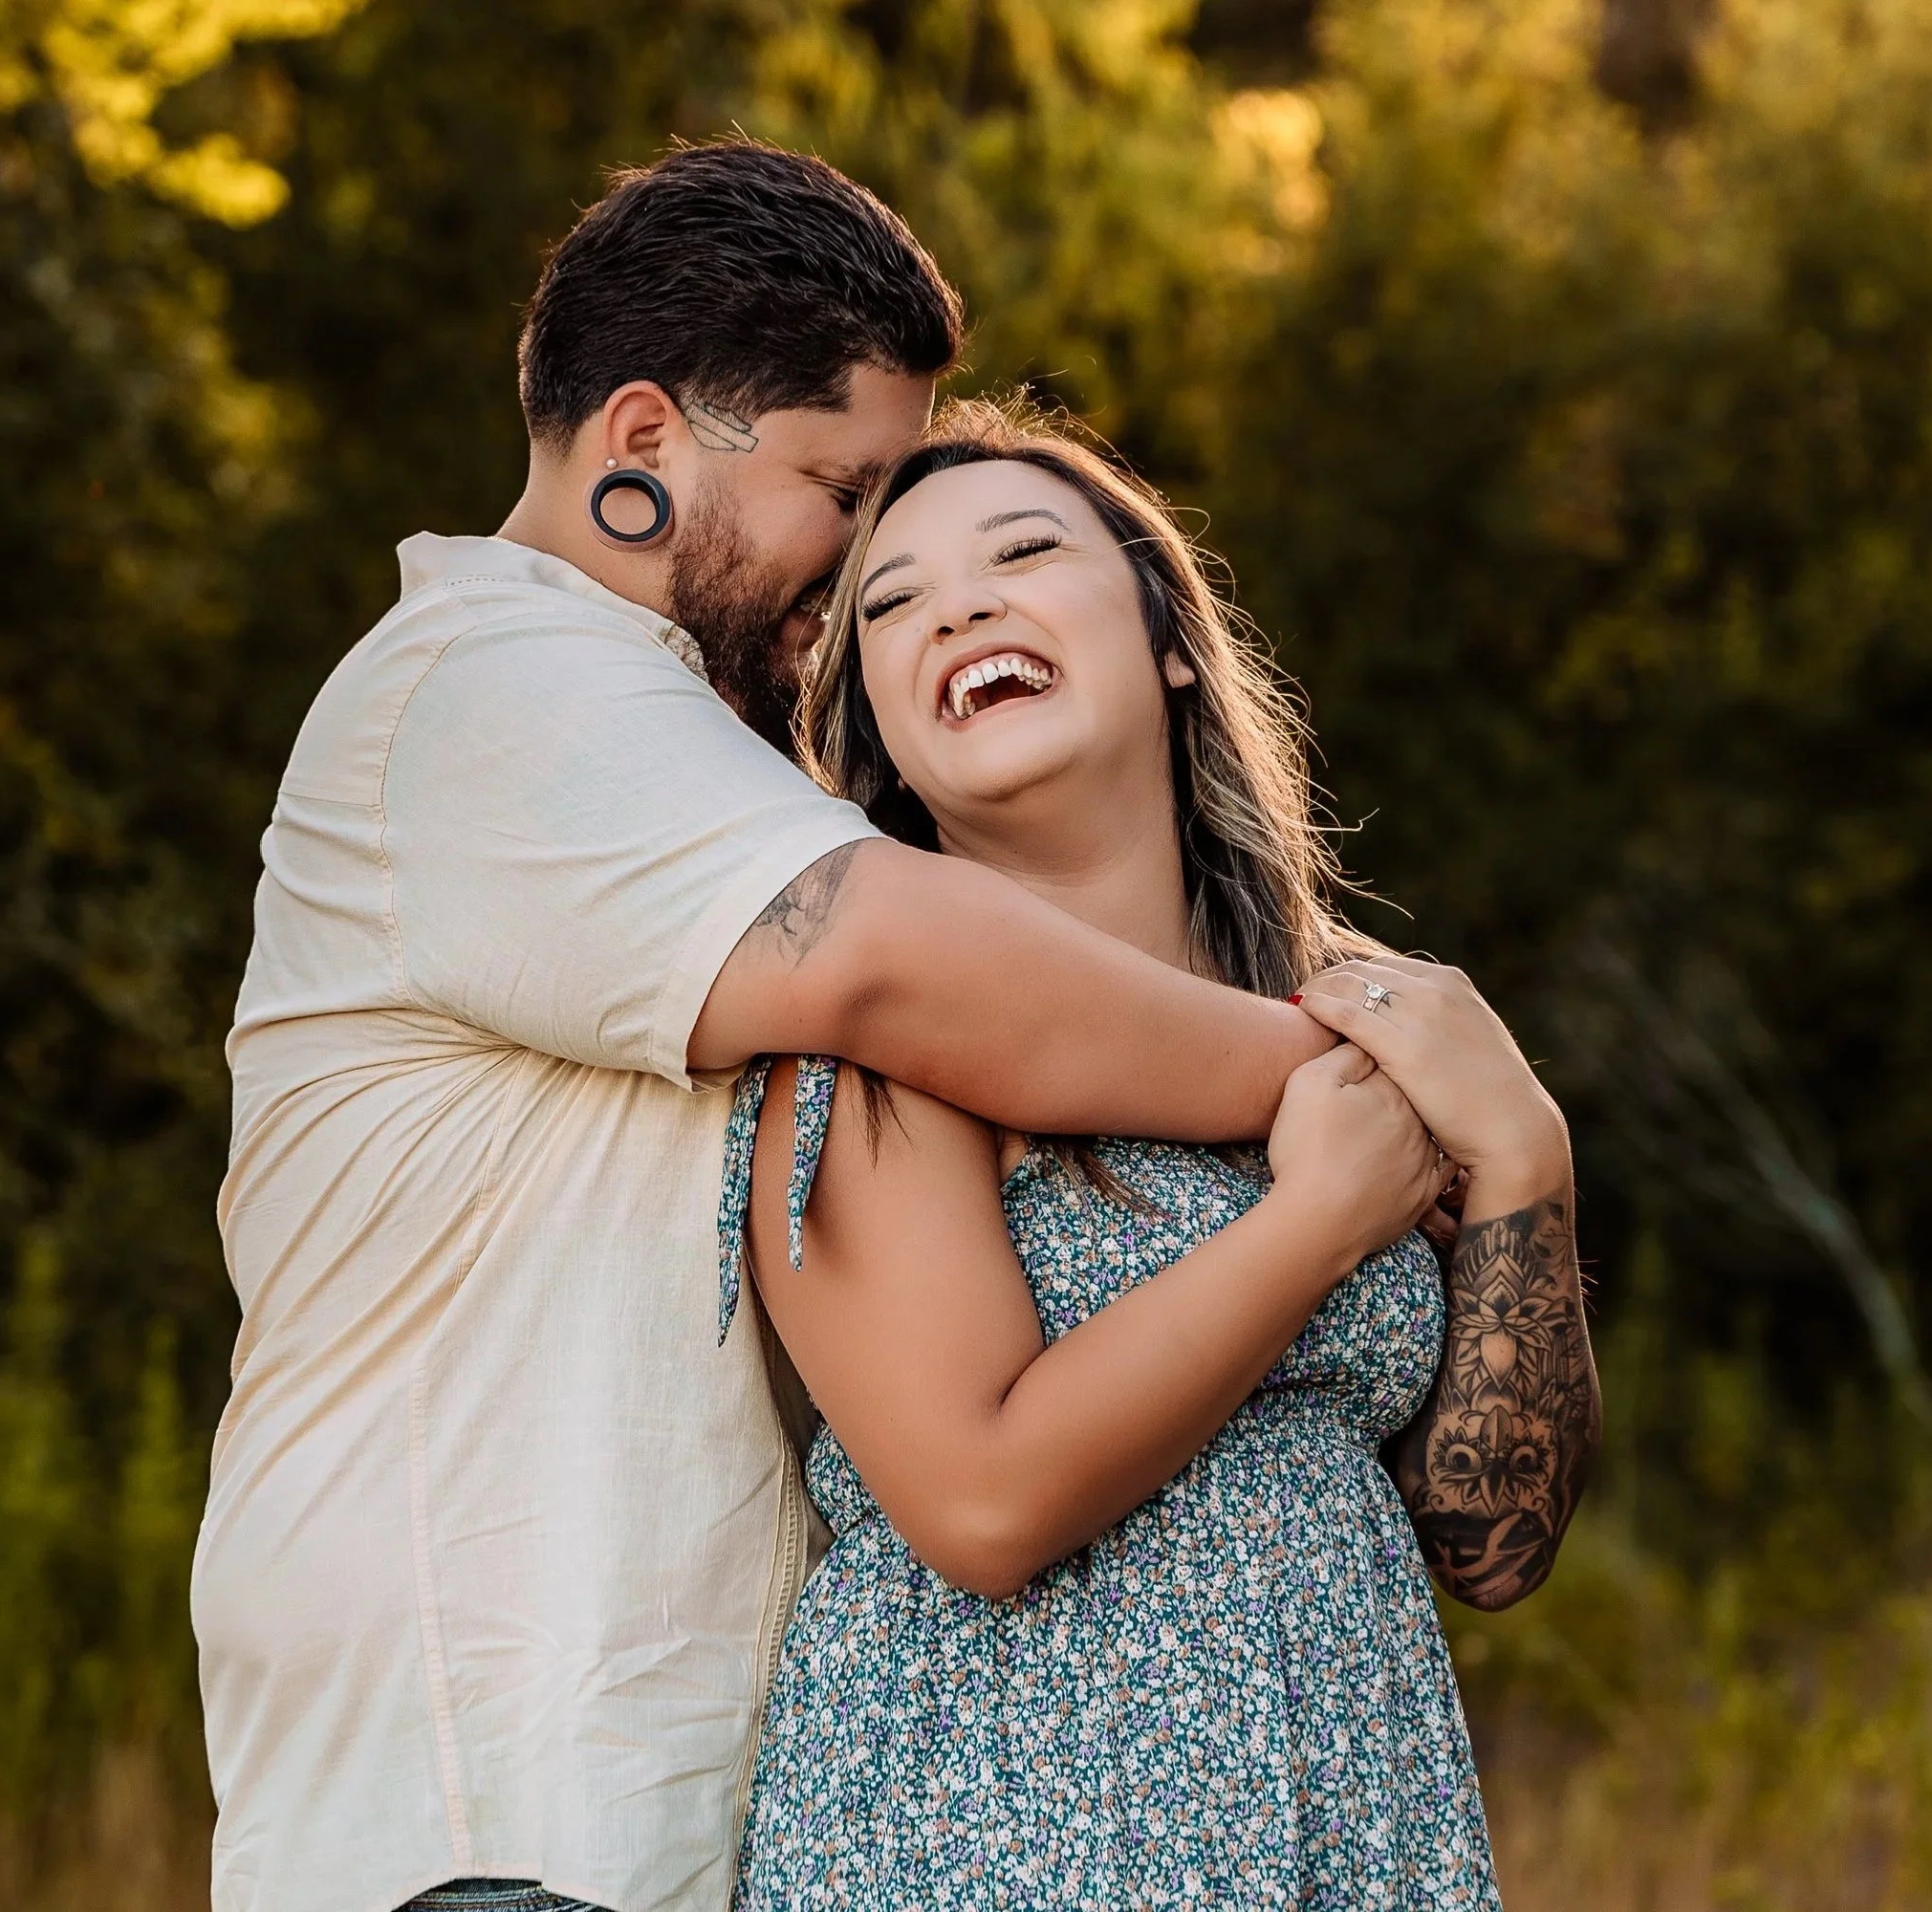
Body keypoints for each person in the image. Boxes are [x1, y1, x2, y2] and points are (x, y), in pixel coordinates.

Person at [193, 142, 1369, 1912]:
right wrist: (1365, 1092)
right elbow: (891, 962)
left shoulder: (670, 744)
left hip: (623, 1818)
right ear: (647, 444)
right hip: (491, 1819)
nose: (864, 558)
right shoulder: (497, 692)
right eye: (845, 489)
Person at [727, 402, 1600, 1908]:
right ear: (876, 733)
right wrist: (1317, 1221)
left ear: (1170, 642)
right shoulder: (869, 1050)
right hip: (1001, 1824)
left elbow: (1491, 1545)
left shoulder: (1352, 1035)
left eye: (1023, 550)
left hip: (1348, 1802)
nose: (964, 606)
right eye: (895, 602)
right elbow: (982, 1504)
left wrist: (1526, 1156)